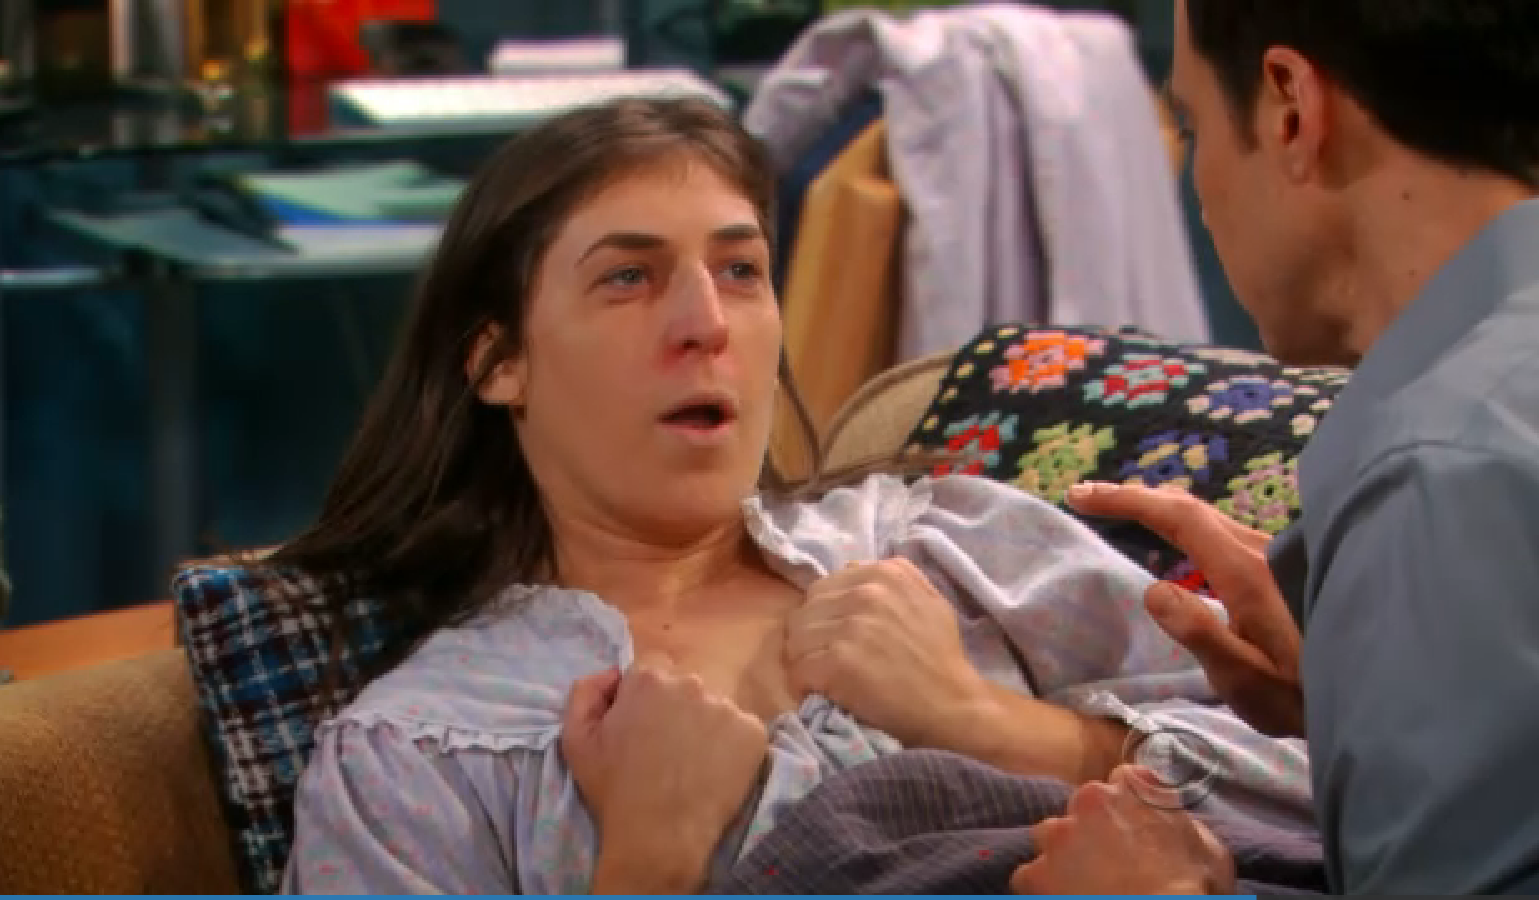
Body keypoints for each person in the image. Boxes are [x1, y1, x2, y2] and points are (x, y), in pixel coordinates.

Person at [274, 96, 1310, 894]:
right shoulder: (416, 757)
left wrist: (981, 720)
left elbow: (1347, 786)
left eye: (739, 270)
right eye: (628, 278)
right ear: (500, 362)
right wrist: (649, 860)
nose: (706, 324)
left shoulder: (948, 546)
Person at [1013, 0, 1539, 894]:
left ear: (1292, 108)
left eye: (1193, 125)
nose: (1200, 186)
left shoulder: (1440, 476)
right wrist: (1352, 692)